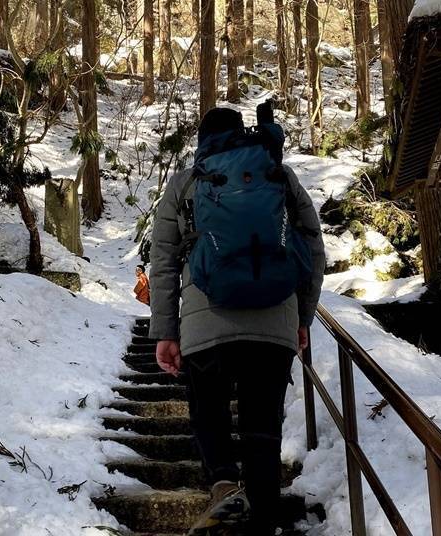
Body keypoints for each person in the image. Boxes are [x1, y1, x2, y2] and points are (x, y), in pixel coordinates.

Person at [148, 107, 325, 535]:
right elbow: (313, 247)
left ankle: (225, 486)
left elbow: (164, 262)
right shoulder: (277, 175)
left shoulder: (187, 183)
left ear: (202, 142)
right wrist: (302, 317)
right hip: (274, 322)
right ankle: (264, 510)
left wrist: (166, 332)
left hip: (205, 323)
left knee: (207, 407)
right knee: (261, 420)